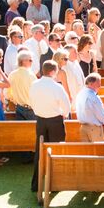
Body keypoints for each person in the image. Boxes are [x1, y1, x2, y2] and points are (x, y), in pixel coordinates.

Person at [28, 60, 71, 192]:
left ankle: (36, 184)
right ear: (53, 72)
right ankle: (56, 184)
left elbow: (31, 101)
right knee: (57, 152)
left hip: (40, 120)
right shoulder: (57, 87)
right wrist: (63, 114)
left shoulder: (34, 84)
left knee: (39, 151)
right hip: (55, 121)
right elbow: (66, 106)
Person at [74, 73, 104, 142]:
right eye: (98, 83)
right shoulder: (93, 97)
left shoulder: (80, 94)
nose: (100, 86)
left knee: (87, 152)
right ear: (91, 84)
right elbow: (101, 114)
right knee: (99, 151)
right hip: (94, 129)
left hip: (83, 127)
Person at [7, 51, 37, 121]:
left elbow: (7, 92)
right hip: (31, 109)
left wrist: (14, 100)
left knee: (21, 130)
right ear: (23, 61)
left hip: (19, 108)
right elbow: (36, 93)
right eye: (30, 60)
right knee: (33, 131)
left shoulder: (12, 74)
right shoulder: (31, 75)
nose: (31, 62)